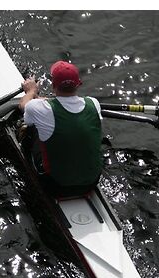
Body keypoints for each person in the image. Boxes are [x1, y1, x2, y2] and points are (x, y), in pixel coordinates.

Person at [18, 60, 103, 198]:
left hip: (56, 186)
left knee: (30, 127)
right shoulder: (94, 103)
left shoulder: (40, 108)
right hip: (91, 183)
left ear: (53, 85)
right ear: (78, 84)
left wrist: (32, 91)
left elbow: (23, 105)